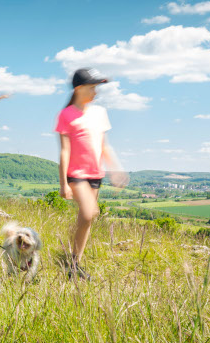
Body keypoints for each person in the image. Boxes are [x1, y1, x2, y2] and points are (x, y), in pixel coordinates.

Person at [55, 68, 129, 280]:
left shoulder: (99, 113)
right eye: (92, 87)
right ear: (79, 88)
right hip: (76, 174)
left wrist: (115, 169)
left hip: (96, 173)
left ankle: (73, 263)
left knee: (85, 221)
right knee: (89, 213)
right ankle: (71, 260)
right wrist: (63, 184)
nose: (95, 92)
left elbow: (104, 145)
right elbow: (65, 150)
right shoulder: (66, 114)